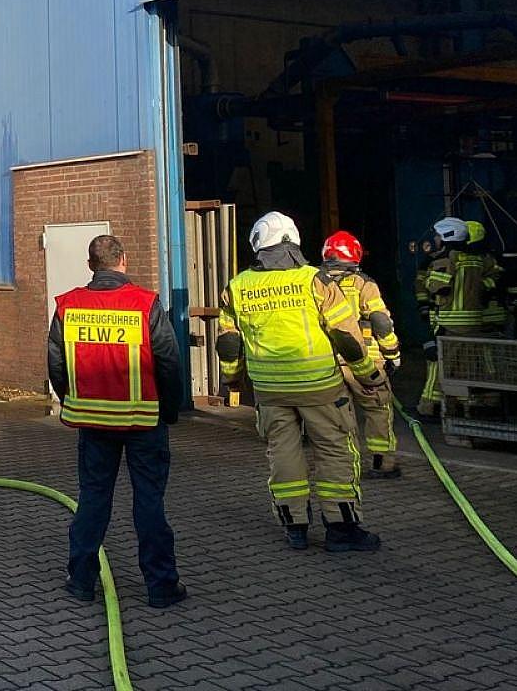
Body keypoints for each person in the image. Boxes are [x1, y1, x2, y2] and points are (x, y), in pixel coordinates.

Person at [217, 211, 386, 552]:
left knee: (283, 454)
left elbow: (229, 343)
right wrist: (369, 374)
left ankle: (295, 526)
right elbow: (346, 336)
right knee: (335, 451)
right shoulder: (315, 280)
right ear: (294, 241)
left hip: (270, 391)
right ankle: (341, 529)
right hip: (320, 388)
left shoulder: (237, 287)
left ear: (257, 244)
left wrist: (232, 380)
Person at [47, 235, 188, 609]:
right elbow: (169, 362)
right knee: (149, 502)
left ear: (91, 265)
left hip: (93, 422)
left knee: (93, 499)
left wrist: (71, 399)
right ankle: (161, 585)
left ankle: (81, 580)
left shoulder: (68, 306)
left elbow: (56, 365)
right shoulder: (145, 303)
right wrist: (169, 409)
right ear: (123, 260)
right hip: (143, 421)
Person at [319, 231, 402, 479]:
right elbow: (381, 322)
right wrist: (392, 353)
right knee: (377, 409)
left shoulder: (315, 283)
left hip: (328, 361)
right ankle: (382, 464)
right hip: (365, 361)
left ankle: (343, 466)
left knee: (337, 414)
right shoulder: (363, 284)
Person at [414, 217, 500, 417]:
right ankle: (471, 406)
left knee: (444, 367)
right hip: (475, 323)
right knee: (469, 366)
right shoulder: (479, 260)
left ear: (446, 237)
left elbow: (437, 287)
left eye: (438, 236)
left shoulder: (446, 260)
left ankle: (433, 407)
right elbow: (496, 277)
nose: (435, 239)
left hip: (451, 324)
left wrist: (429, 274)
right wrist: (482, 288)